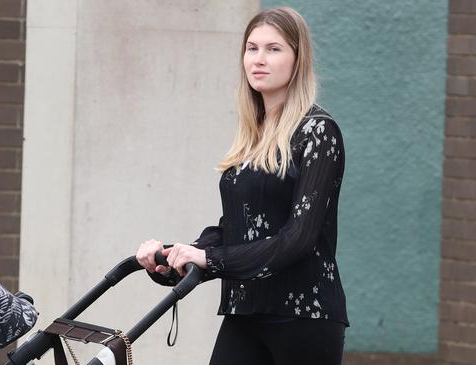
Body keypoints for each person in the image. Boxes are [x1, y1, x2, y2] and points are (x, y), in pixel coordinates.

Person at [136, 6, 348, 365]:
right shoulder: (254, 136)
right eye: (252, 48)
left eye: (273, 49)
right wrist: (178, 257)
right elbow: (234, 230)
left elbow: (298, 238)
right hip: (244, 310)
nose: (259, 59)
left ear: (298, 59)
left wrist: (210, 258)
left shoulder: (318, 132)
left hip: (303, 316)